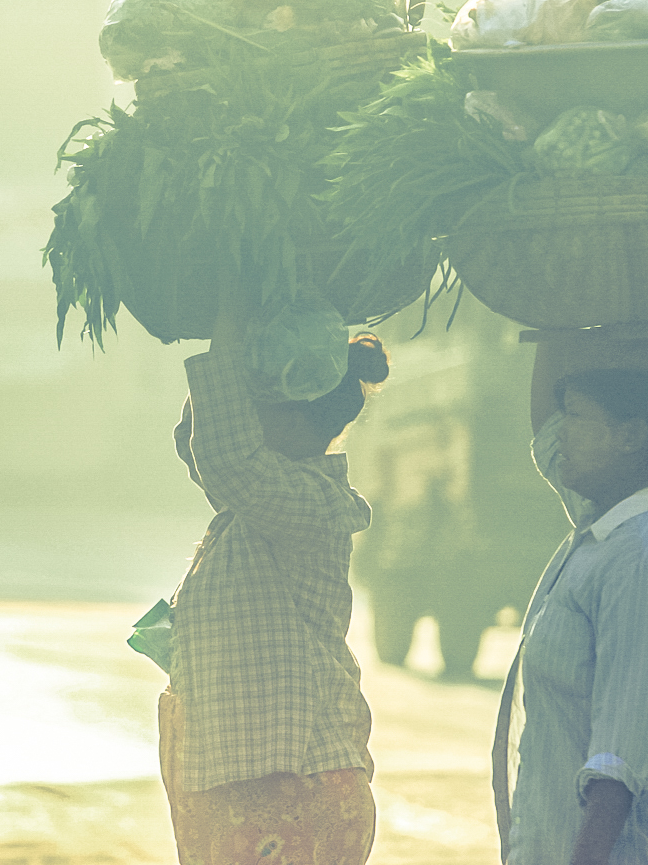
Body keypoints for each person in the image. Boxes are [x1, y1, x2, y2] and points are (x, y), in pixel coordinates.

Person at [492, 331, 648, 865]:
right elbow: (546, 435)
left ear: (630, 436)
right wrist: (555, 319)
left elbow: (618, 766)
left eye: (579, 417)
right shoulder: (607, 517)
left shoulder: (644, 561)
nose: (562, 433)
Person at [159, 285, 390, 865]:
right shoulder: (252, 513)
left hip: (295, 783)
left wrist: (229, 313)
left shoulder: (309, 506)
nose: (241, 420)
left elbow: (224, 454)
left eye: (253, 408)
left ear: (292, 421)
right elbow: (202, 445)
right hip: (256, 781)